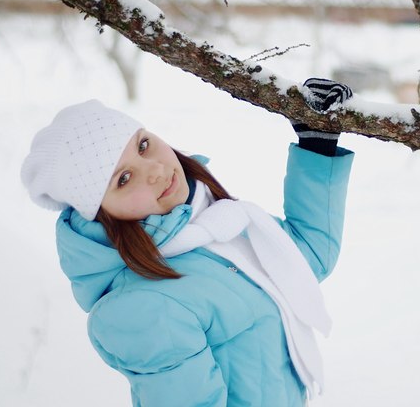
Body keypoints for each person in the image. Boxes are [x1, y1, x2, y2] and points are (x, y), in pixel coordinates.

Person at [20, 79, 354, 407]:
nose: (153, 170)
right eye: (123, 179)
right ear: (100, 212)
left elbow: (306, 257)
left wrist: (317, 144)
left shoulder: (216, 221)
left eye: (143, 145)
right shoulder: (141, 308)